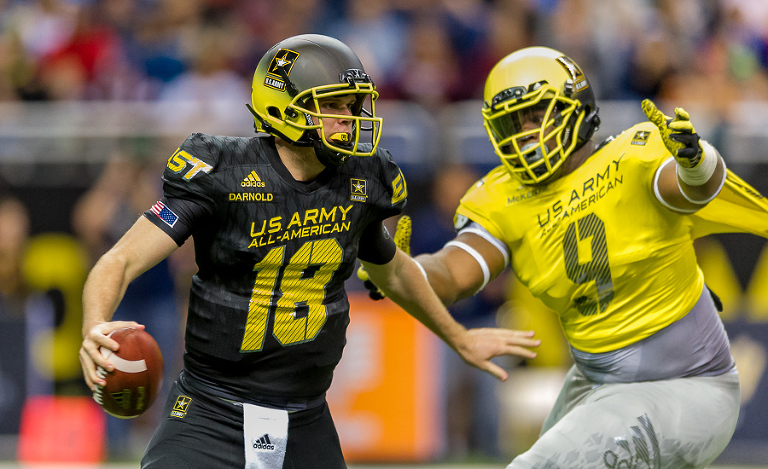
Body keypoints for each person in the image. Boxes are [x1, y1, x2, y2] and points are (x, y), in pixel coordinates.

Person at [78, 34, 541, 469]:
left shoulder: (361, 182)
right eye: (333, 106)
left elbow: (393, 272)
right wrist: (94, 324)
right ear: (285, 108)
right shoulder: (223, 172)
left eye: (353, 105)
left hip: (306, 419)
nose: (350, 119)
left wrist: (458, 336)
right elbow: (119, 260)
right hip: (210, 411)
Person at [363, 46, 767, 467]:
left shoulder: (633, 155)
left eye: (535, 117)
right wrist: (398, 268)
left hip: (689, 385)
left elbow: (691, 187)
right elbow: (451, 272)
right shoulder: (502, 197)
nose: (524, 135)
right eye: (511, 125)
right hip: (598, 383)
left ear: (576, 109)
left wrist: (697, 164)